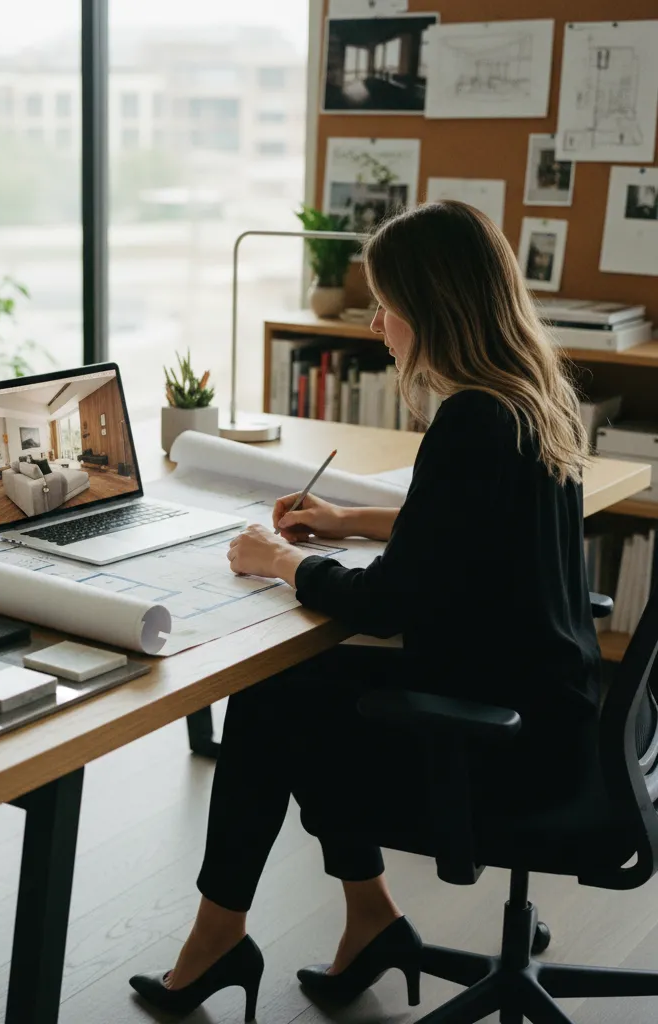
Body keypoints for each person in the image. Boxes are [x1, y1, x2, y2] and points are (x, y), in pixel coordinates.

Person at [129, 201, 602, 1020]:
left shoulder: (471, 422)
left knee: (274, 700)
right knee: (294, 687)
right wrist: (346, 520)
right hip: (556, 716)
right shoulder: (527, 398)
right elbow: (461, 531)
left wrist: (280, 560)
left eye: (386, 303)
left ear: (433, 307)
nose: (376, 323)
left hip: (499, 746)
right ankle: (364, 920)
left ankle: (221, 937)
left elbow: (386, 602)